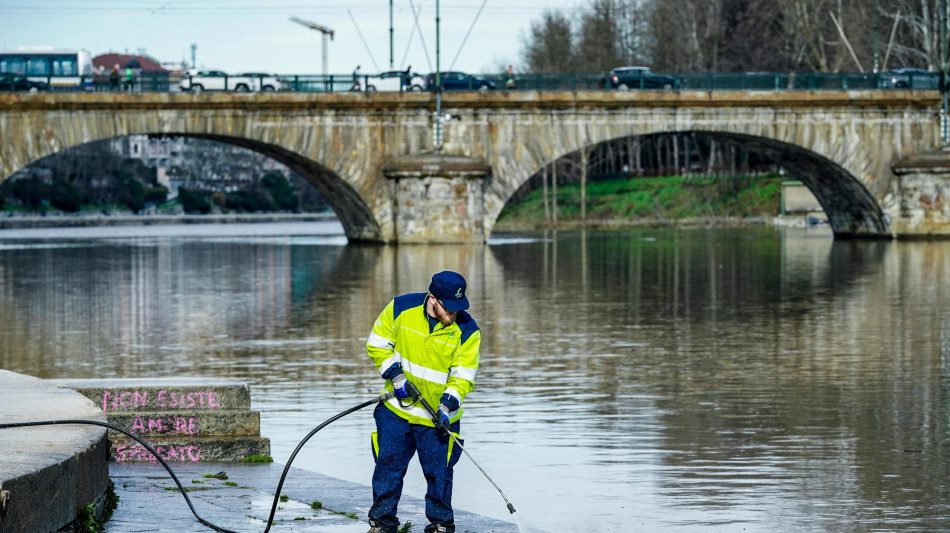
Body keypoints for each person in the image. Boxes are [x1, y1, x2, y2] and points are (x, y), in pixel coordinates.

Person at [365, 271, 481, 533]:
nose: (453, 313)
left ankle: (440, 526)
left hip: (439, 417)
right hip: (396, 411)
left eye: (457, 307)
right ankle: (382, 524)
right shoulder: (400, 308)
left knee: (440, 475)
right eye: (448, 307)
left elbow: (463, 376)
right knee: (388, 469)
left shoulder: (467, 330)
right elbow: (377, 344)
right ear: (433, 299)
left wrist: (447, 404)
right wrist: (396, 376)